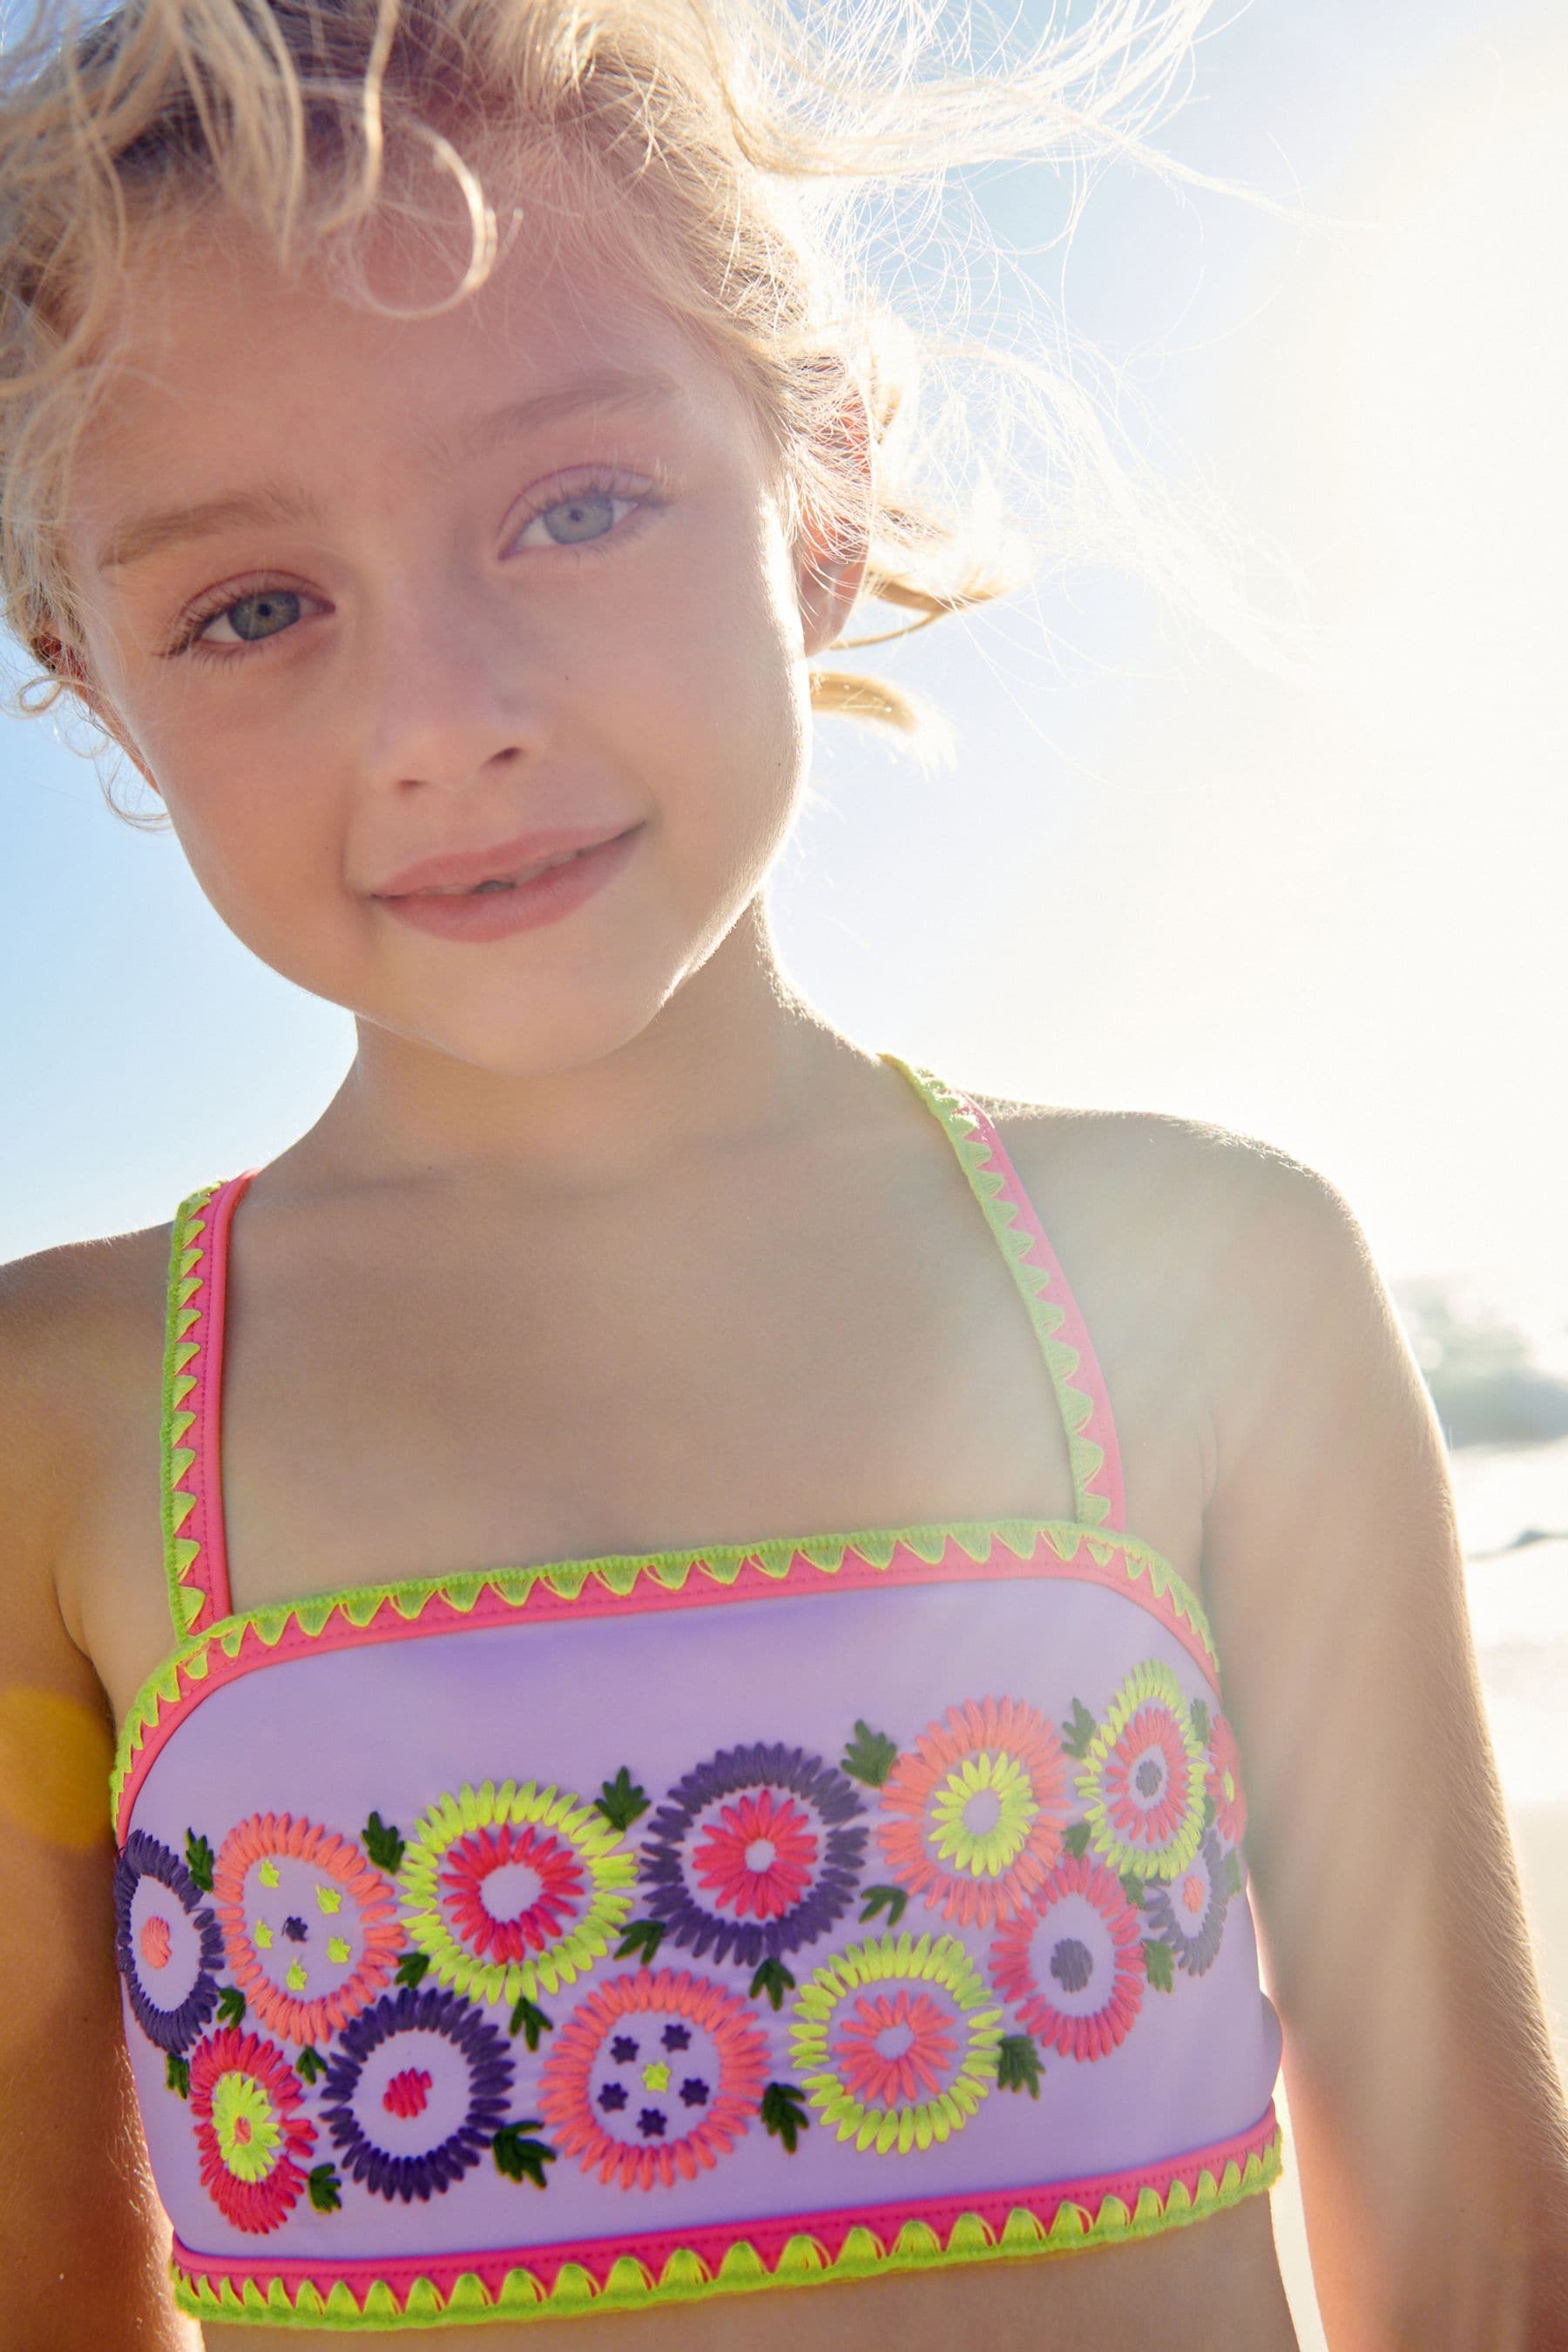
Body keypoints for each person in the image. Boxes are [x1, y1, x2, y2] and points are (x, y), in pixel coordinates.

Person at [1, 0, 1564, 2346]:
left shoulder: (1210, 1274)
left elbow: (1472, 2263)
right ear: (88, 666)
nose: (448, 716)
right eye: (252, 609)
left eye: (579, 505)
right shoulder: (57, 1409)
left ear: (817, 496)